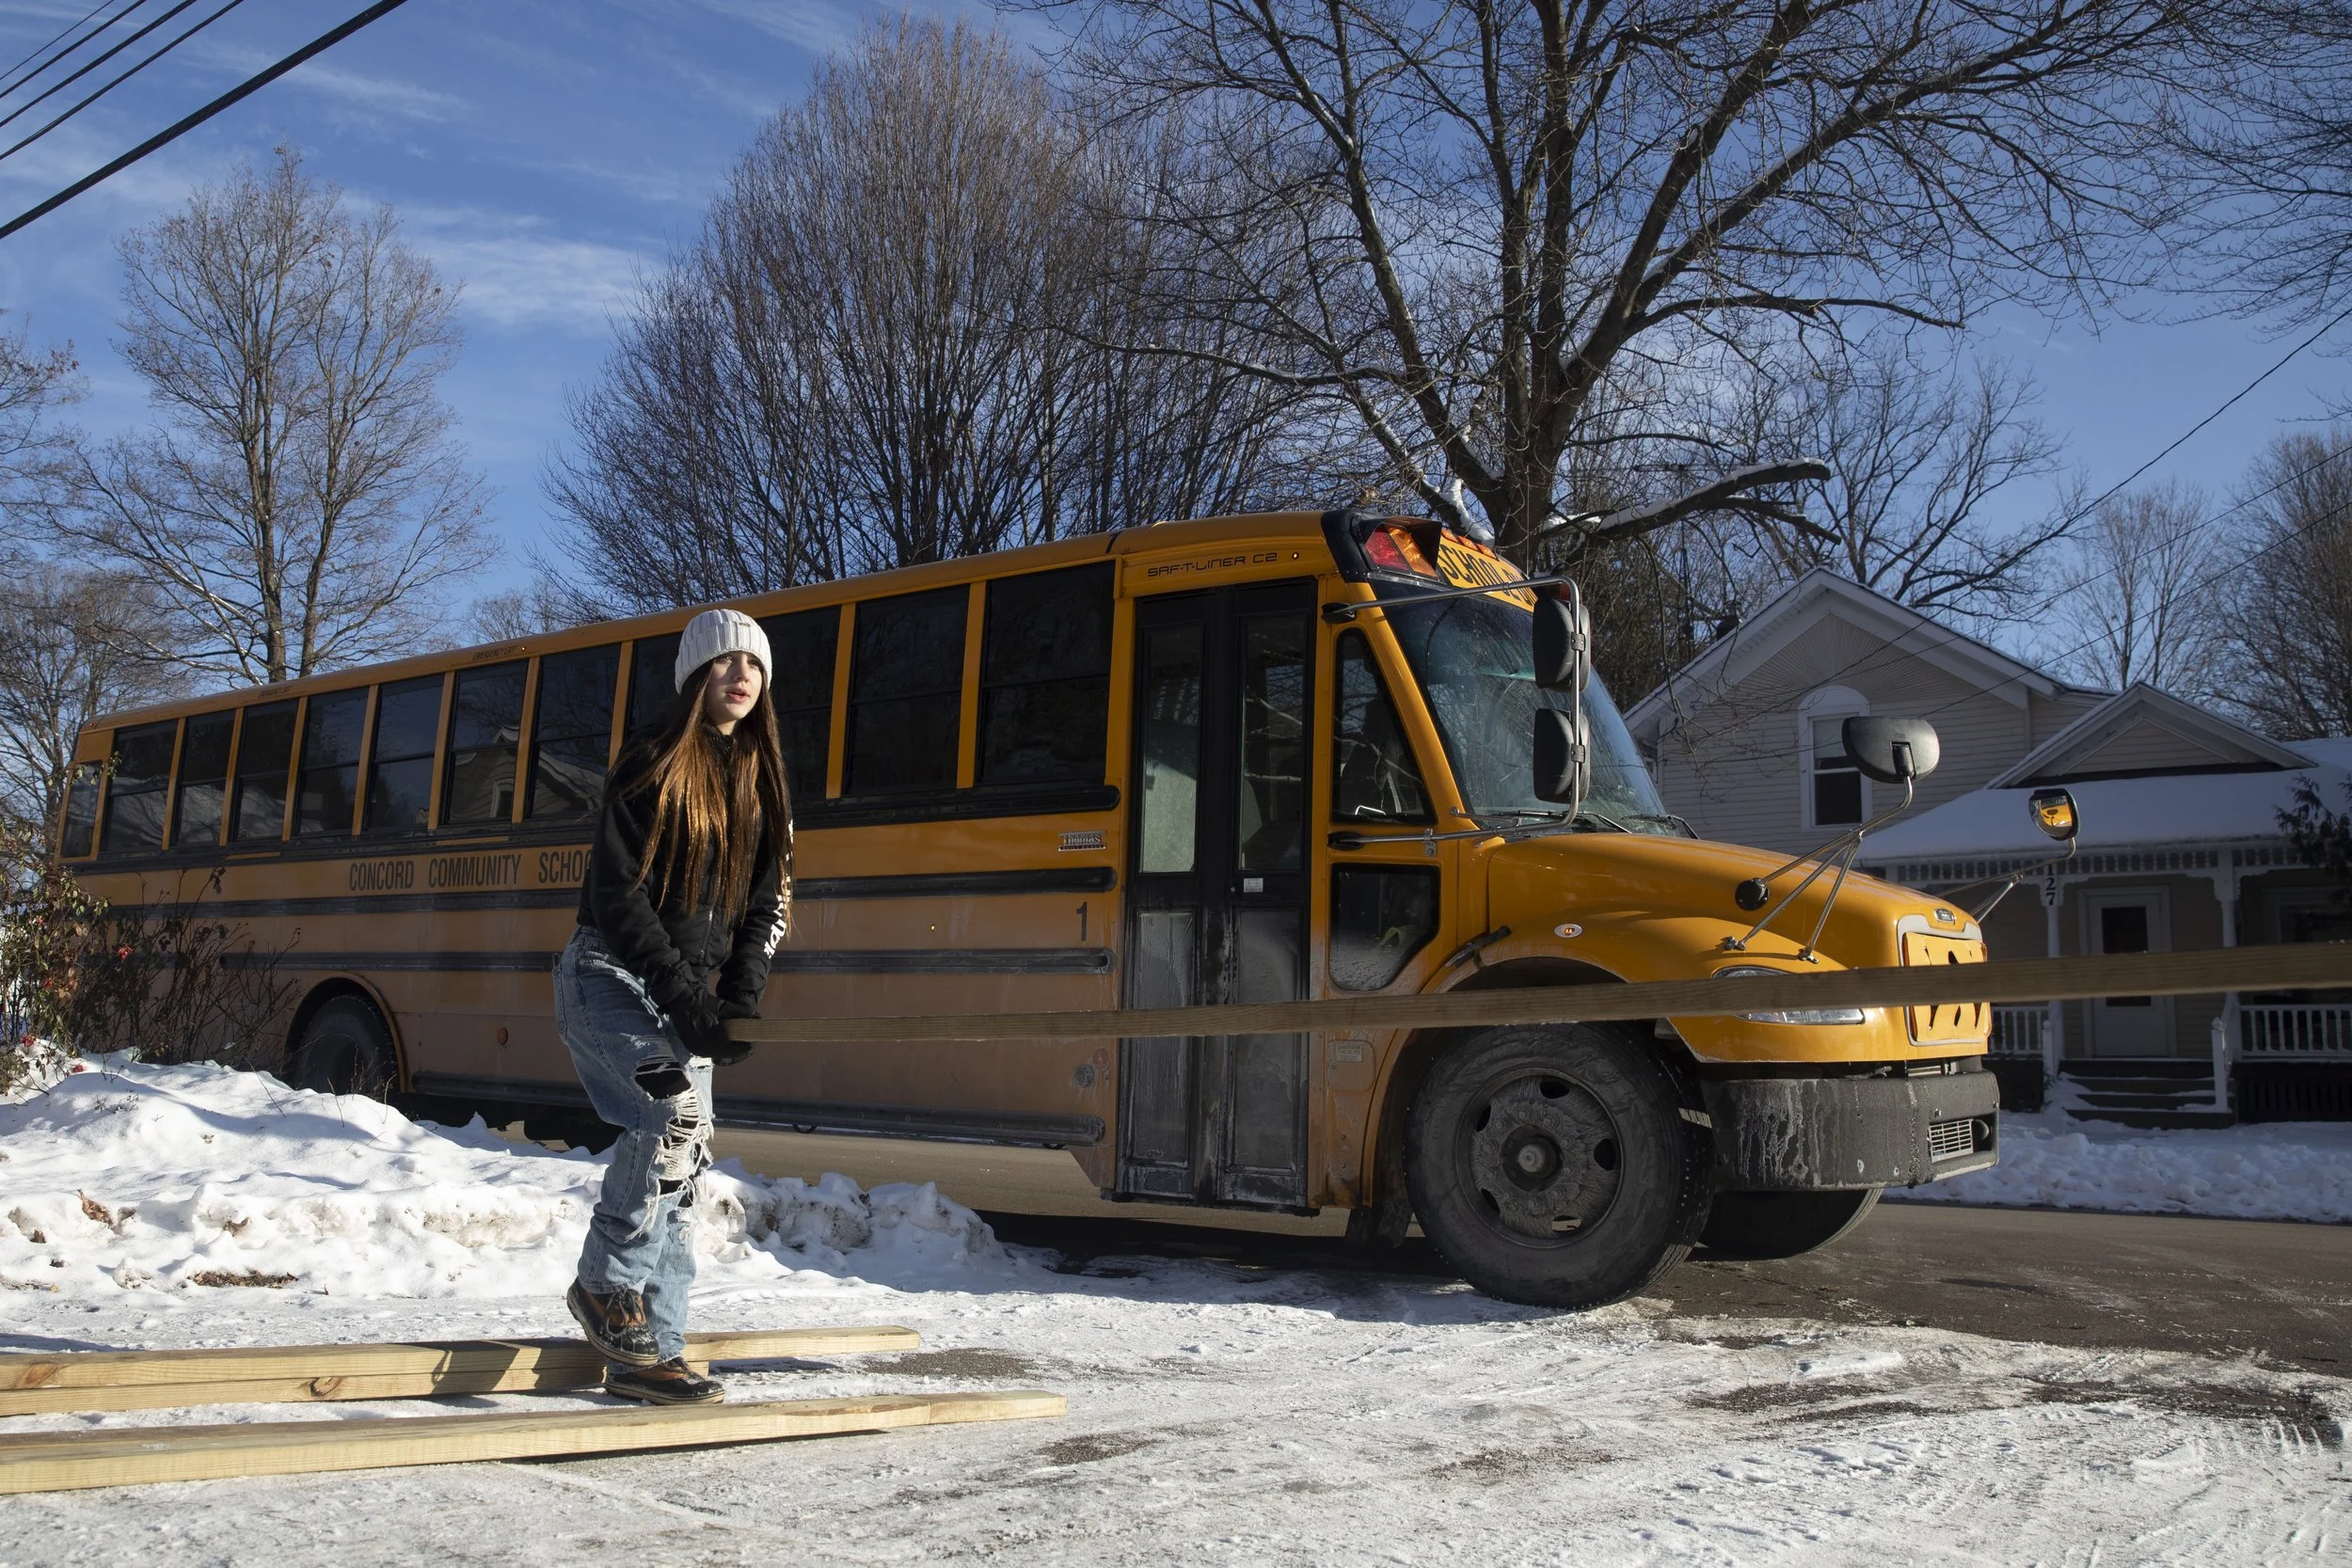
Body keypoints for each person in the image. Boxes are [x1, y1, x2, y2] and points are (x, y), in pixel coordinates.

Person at [556, 607, 793, 1404]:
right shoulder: (653, 761)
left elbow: (766, 907)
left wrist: (740, 997)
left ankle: (652, 1351)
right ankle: (604, 1288)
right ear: (697, 676)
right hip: (609, 976)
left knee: (683, 1176)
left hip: (681, 997)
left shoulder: (763, 786)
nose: (742, 677)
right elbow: (616, 895)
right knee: (672, 1118)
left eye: (754, 667)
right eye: (726, 663)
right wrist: (683, 994)